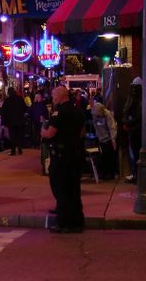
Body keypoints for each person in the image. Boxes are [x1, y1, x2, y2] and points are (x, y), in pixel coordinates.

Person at [41, 86, 85, 233]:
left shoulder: (58, 113)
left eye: (54, 96)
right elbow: (81, 133)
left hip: (61, 156)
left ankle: (64, 222)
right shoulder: (78, 112)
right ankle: (77, 221)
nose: (53, 98)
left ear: (60, 97)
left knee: (61, 189)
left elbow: (50, 133)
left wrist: (43, 131)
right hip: (75, 154)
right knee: (74, 189)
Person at [122, 76, 142, 184]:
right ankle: (135, 174)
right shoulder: (134, 99)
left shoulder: (139, 101)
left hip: (136, 130)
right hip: (133, 129)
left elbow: (138, 116)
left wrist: (128, 122)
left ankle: (137, 175)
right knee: (133, 153)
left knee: (136, 153)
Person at [91, 102, 118, 180]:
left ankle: (111, 174)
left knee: (110, 156)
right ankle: (104, 173)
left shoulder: (107, 115)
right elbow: (96, 126)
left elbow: (112, 128)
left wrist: (113, 140)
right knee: (103, 157)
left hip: (108, 139)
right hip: (101, 139)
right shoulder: (95, 114)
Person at [1, 87, 27, 155]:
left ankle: (13, 151)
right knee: (19, 135)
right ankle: (19, 149)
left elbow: (3, 112)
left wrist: (3, 122)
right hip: (20, 121)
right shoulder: (20, 99)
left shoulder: (7, 100)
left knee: (12, 136)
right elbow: (25, 108)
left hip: (11, 121)